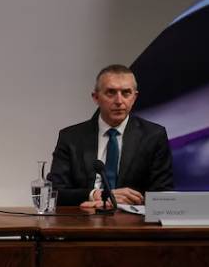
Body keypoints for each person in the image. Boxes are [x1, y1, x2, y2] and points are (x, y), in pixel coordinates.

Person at [47, 64, 174, 208]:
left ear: (134, 97)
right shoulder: (71, 137)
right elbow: (55, 191)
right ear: (96, 97)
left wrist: (130, 202)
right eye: (111, 93)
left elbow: (163, 194)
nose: (119, 101)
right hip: (83, 221)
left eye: (126, 93)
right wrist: (96, 195)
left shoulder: (153, 136)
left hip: (133, 224)